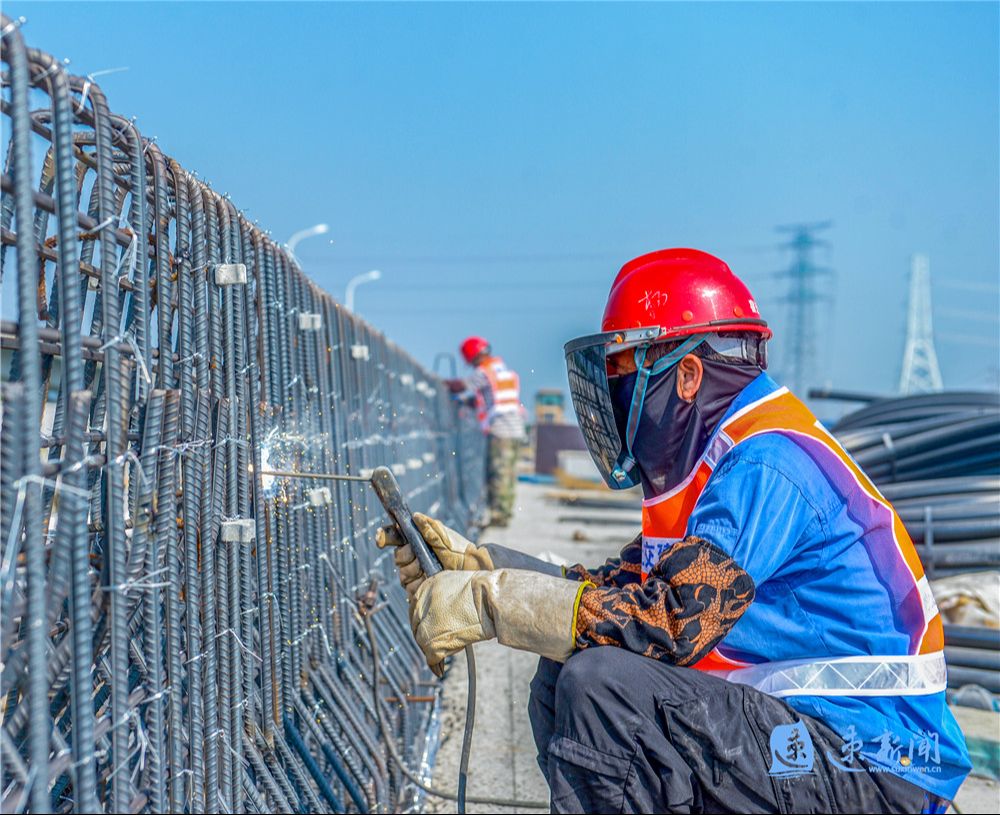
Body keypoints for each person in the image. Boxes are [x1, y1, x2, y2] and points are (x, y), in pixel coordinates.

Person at [379, 249, 970, 814]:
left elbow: (674, 620)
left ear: (687, 375)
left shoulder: (765, 463)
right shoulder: (721, 458)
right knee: (565, 665)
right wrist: (488, 568)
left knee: (601, 684)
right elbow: (624, 591)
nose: (610, 393)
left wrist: (495, 604)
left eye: (621, 370)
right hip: (813, 735)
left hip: (874, 762)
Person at [456, 336, 526, 527]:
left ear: (473, 357)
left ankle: (499, 516)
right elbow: (488, 398)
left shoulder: (483, 372)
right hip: (515, 429)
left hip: (501, 431)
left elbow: (461, 386)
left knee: (498, 473)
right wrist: (469, 402)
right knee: (508, 474)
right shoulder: (501, 369)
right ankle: (505, 513)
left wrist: (442, 385)